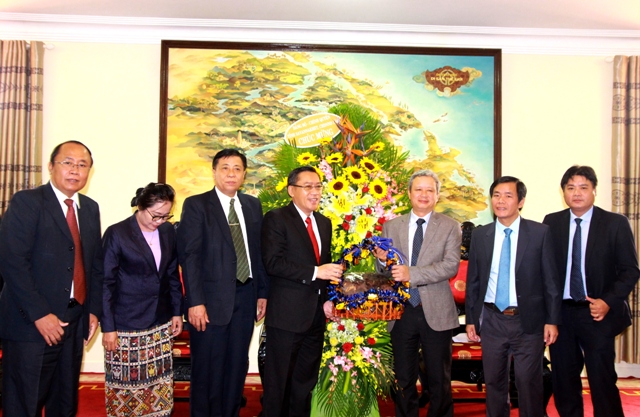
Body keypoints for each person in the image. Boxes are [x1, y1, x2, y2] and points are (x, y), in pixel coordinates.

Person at [0, 140, 103, 416]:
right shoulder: (27, 202)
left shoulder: (89, 208)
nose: (75, 170)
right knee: (24, 404)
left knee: (64, 402)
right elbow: (12, 262)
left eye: (82, 165)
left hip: (74, 321)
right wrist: (40, 314)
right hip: (31, 325)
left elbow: (94, 265)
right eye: (67, 163)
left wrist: (93, 311)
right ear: (50, 166)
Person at [177, 148, 269, 417]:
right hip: (209, 302)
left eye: (237, 169)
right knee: (207, 368)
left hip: (246, 297)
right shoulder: (196, 205)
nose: (231, 174)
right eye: (225, 168)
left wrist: (262, 293)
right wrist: (195, 302)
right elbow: (190, 257)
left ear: (244, 174)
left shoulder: (252, 206)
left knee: (236, 366)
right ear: (214, 172)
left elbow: (258, 253)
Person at [543, 165, 639, 417]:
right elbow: (545, 270)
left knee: (601, 378)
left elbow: (630, 270)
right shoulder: (552, 222)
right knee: (564, 378)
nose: (576, 193)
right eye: (570, 187)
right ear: (563, 192)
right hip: (562, 314)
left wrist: (607, 301)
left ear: (594, 190)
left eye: (583, 187)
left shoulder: (615, 223)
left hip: (598, 313)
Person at [465, 176, 561, 417]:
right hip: (492, 319)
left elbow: (551, 281)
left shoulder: (539, 233)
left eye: (508, 196)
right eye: (496, 195)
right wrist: (471, 319)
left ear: (521, 201)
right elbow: (473, 280)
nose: (501, 201)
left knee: (528, 382)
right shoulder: (481, 235)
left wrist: (552, 320)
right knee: (494, 383)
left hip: (528, 320)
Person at [373, 169, 461, 417]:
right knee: (403, 379)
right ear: (409, 194)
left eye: (429, 190)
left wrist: (411, 273)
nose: (424, 194)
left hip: (436, 311)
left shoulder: (450, 226)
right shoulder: (391, 226)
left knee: (439, 378)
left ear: (437, 195)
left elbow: (450, 266)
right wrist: (382, 260)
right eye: (419, 189)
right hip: (401, 312)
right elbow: (384, 271)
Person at [261, 166, 343, 417]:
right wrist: (316, 272)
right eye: (307, 186)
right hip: (286, 316)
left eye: (318, 186)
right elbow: (273, 263)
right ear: (291, 190)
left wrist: (327, 300)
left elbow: (325, 266)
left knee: (304, 383)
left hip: (315, 317)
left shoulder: (324, 223)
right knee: (279, 384)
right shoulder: (276, 218)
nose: (314, 192)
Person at [101, 183, 183, 416]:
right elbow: (106, 283)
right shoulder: (117, 233)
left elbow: (171, 274)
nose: (160, 221)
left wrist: (177, 312)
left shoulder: (167, 231)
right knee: (126, 388)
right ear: (140, 207)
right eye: (156, 215)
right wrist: (108, 327)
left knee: (159, 386)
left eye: (166, 215)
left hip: (159, 322)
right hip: (126, 324)